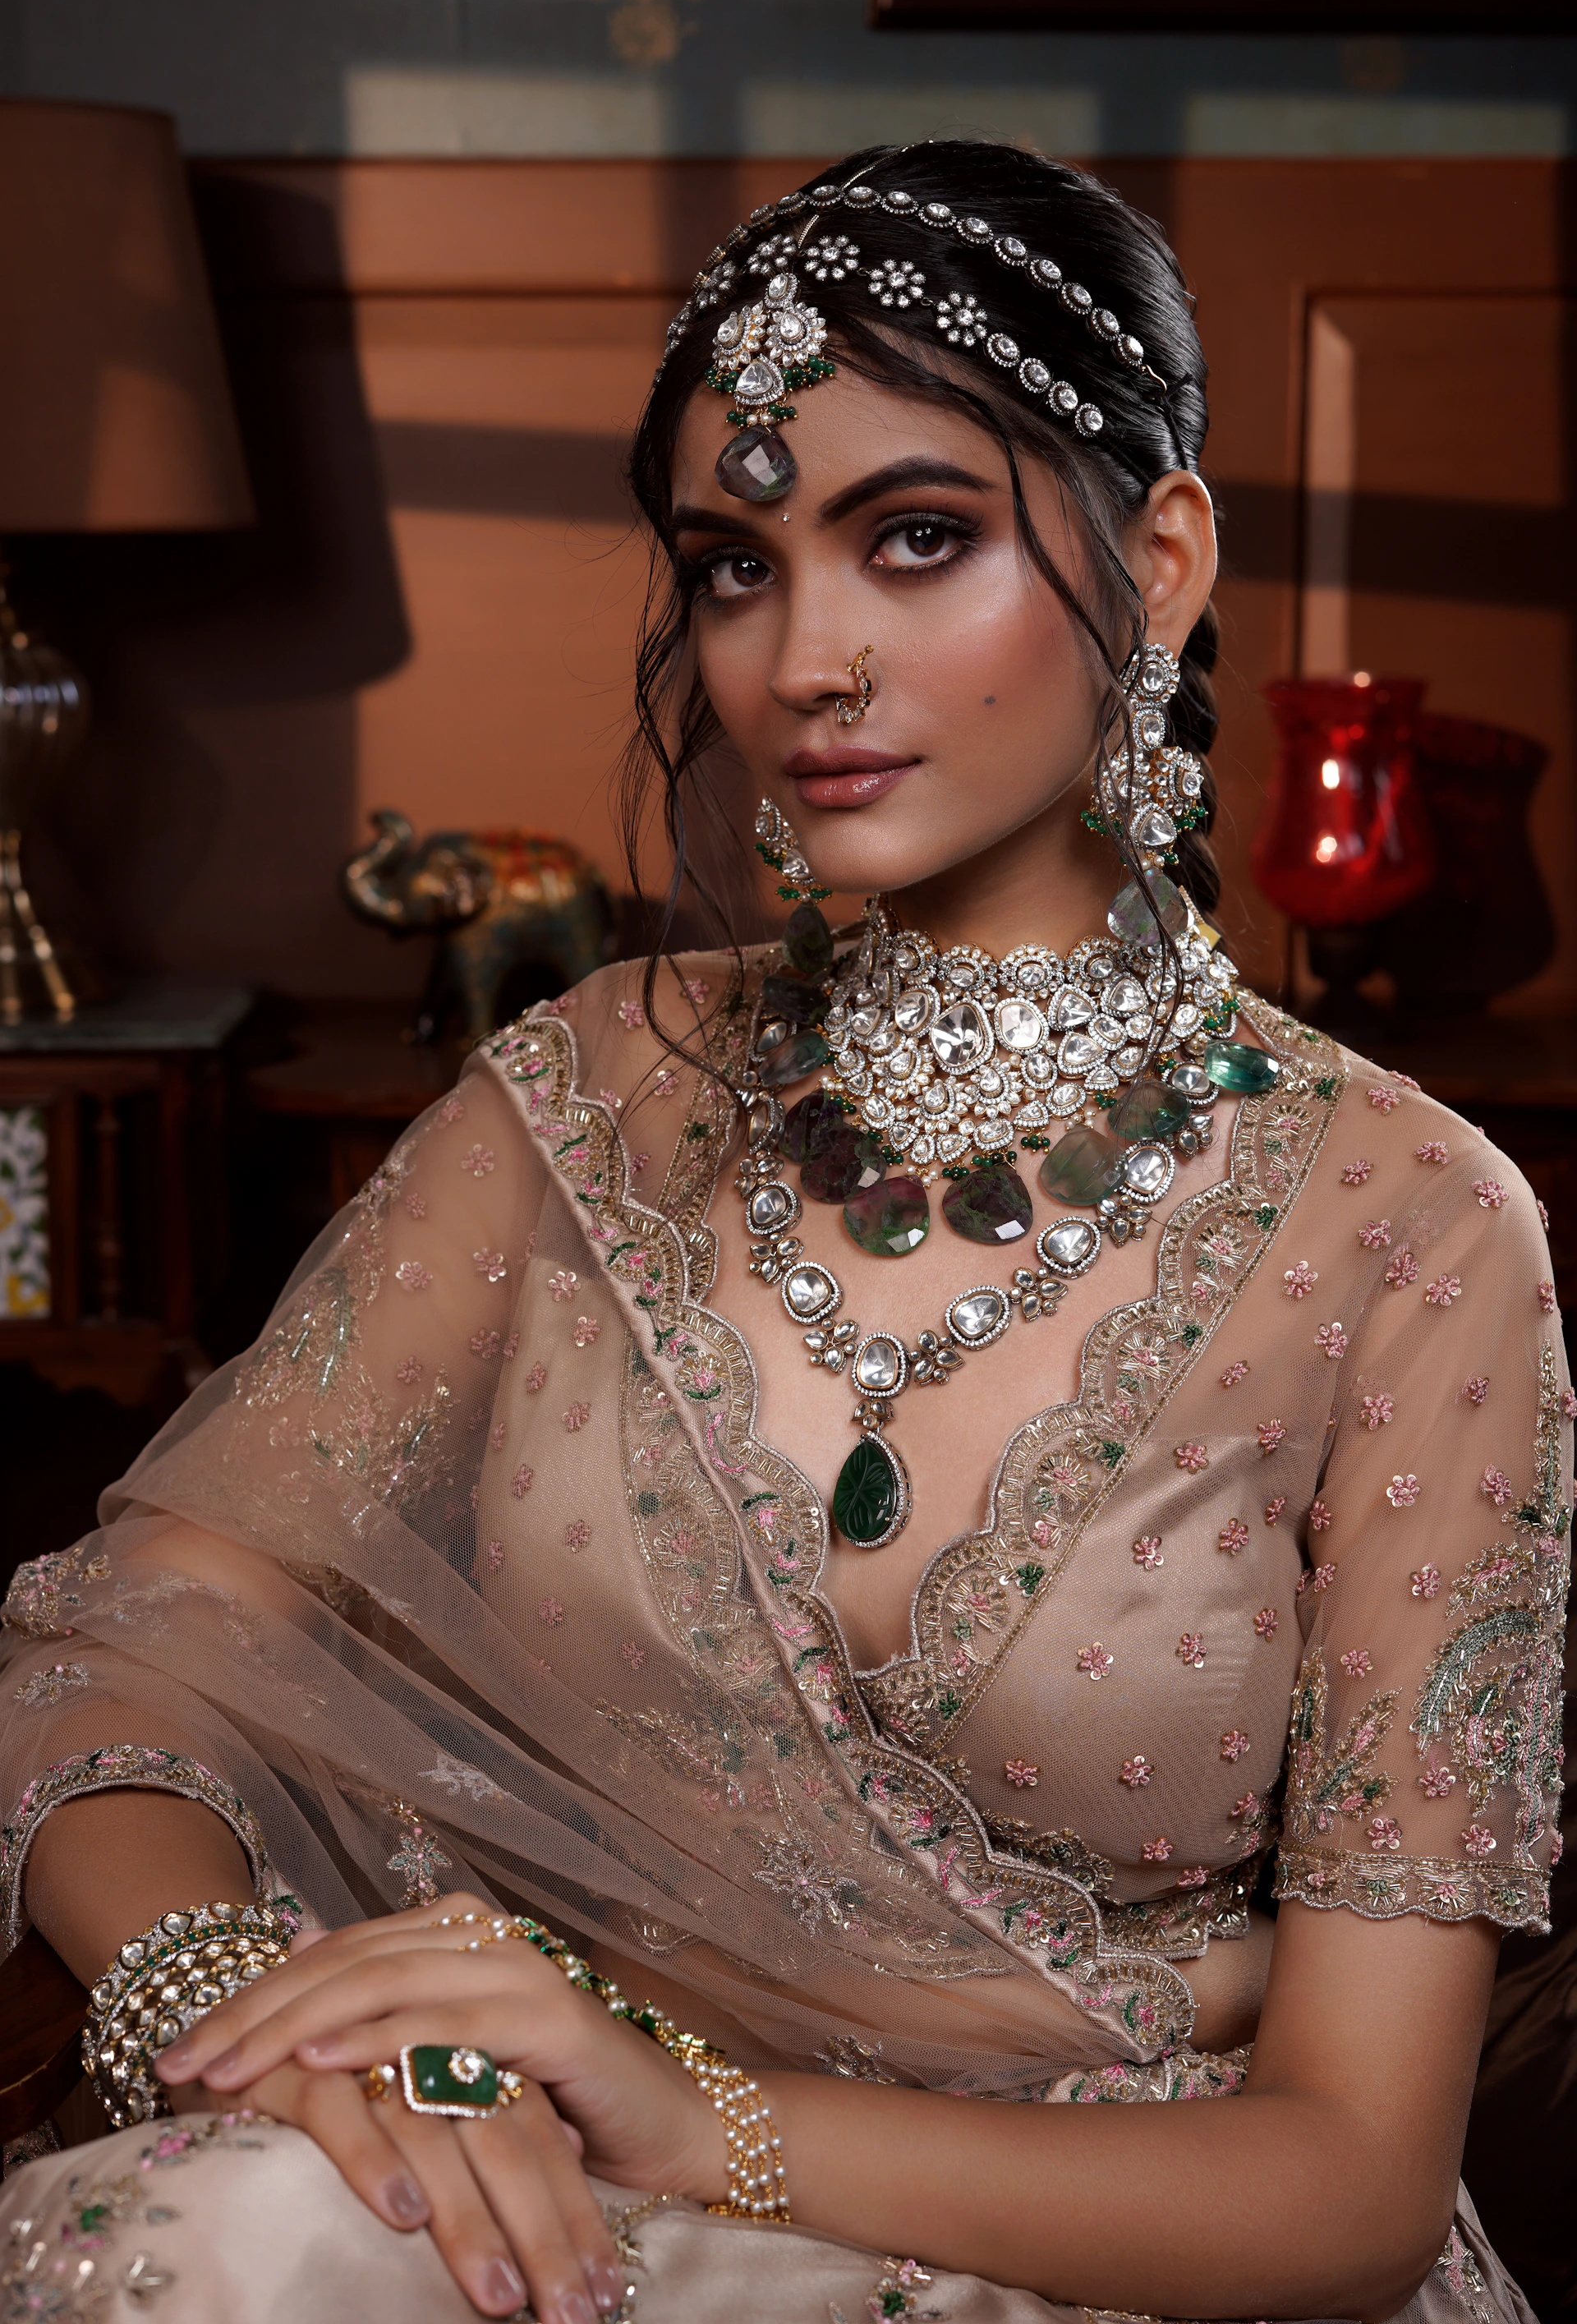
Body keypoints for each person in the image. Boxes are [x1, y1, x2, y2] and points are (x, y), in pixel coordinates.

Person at [1, 141, 1567, 2324]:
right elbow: (133, 1639)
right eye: (735, 566)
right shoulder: (584, 1100)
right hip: (532, 2173)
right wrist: (253, 2003)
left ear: (1165, 559)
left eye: (917, 538)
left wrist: (708, 2123)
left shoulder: (1409, 1226)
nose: (807, 659)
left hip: (1107, 2252)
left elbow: (1355, 2183)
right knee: (187, 2243)